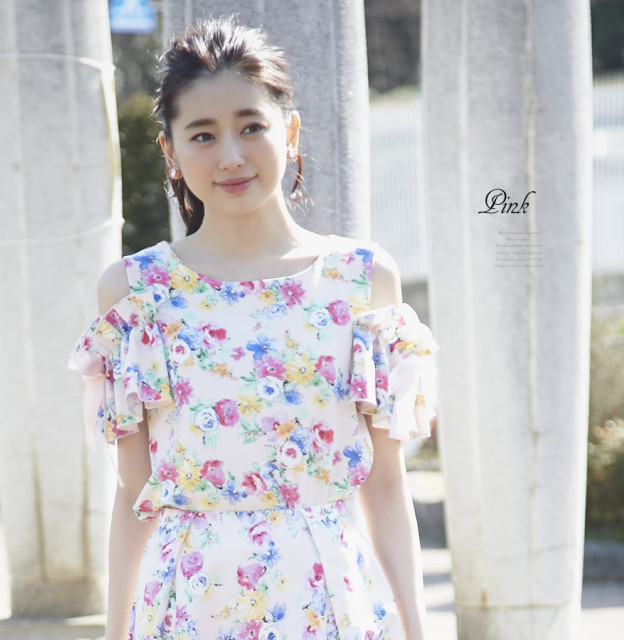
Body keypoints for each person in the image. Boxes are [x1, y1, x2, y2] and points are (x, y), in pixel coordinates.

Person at [70, 16, 439, 640]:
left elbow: (383, 483)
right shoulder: (137, 292)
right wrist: (114, 633)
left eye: (251, 127)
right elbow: (135, 495)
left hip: (329, 606)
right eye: (203, 135)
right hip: (188, 607)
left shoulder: (361, 279)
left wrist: (417, 629)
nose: (231, 156)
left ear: (288, 132)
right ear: (171, 152)